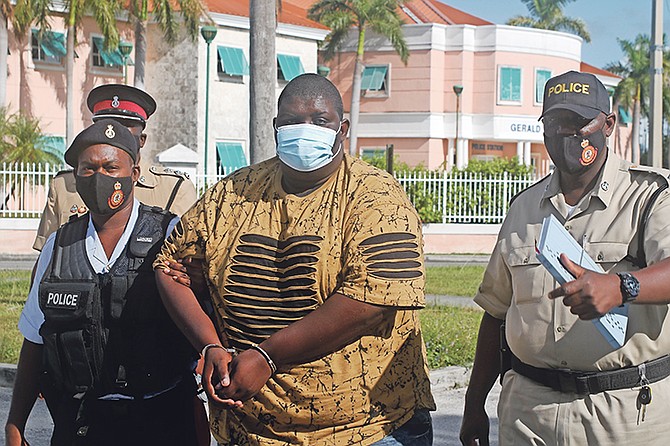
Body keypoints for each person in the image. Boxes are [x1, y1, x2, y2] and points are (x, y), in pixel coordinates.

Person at [153, 73, 436, 445]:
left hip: (365, 427)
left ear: (342, 129)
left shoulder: (377, 197)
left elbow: (372, 299)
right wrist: (210, 346)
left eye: (319, 121)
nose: (305, 130)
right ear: (275, 127)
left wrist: (266, 357)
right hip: (253, 426)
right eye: (291, 121)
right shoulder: (233, 192)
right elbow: (168, 266)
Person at [460, 70, 670, 446]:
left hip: (622, 416)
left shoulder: (650, 196)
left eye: (579, 121)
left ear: (608, 124)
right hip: (528, 414)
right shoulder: (523, 208)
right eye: (556, 122)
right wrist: (474, 404)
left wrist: (621, 286)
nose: (567, 133)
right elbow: (496, 313)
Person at [5, 119, 203, 446]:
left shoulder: (170, 235)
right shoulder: (58, 246)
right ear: (76, 176)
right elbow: (34, 341)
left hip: (162, 420)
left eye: (112, 167)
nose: (100, 177)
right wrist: (15, 423)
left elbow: (205, 317)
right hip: (81, 424)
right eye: (89, 168)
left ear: (134, 174)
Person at [32, 83, 197, 251]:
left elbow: (188, 257)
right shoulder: (64, 185)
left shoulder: (173, 189)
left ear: (142, 139)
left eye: (124, 126)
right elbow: (48, 256)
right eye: (105, 125)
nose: (115, 133)